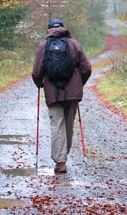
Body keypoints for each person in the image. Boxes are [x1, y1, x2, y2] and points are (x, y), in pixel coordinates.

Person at [32, 19, 92, 174]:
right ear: (64, 28)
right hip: (72, 93)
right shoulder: (74, 44)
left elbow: (37, 71)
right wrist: (79, 83)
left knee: (56, 125)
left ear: (48, 30)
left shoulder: (43, 46)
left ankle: (60, 161)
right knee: (68, 125)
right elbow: (87, 68)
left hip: (53, 92)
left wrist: (39, 83)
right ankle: (63, 155)